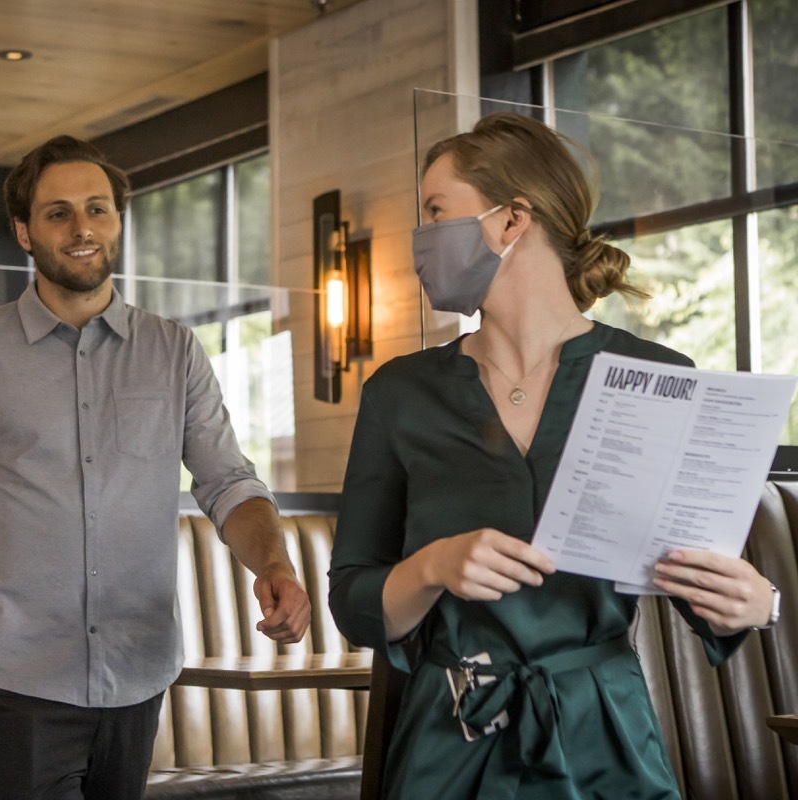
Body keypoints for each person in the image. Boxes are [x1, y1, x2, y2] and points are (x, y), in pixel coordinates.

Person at [329, 112, 779, 800]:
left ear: (512, 220)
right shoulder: (399, 393)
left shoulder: (660, 378)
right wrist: (431, 567)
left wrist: (753, 602)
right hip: (450, 740)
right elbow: (353, 603)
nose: (422, 238)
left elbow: (701, 593)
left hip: (607, 739)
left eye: (436, 211)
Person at [0, 134, 312, 800]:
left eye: (97, 209)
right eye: (58, 213)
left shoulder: (175, 351)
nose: (82, 228)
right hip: (16, 682)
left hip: (139, 672)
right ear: (24, 231)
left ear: (118, 220)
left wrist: (274, 564)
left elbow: (228, 482)